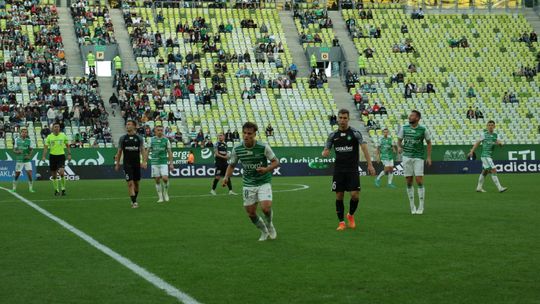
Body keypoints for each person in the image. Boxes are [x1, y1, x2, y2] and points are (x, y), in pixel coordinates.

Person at [222, 122, 280, 241]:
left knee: (266, 208)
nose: (246, 135)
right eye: (244, 133)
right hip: (248, 183)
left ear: (254, 134)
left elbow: (276, 162)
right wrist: (226, 177)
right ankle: (263, 231)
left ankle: (269, 225)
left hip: (263, 181)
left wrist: (266, 169)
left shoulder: (263, 147)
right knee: (251, 213)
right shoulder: (237, 148)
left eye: (249, 133)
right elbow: (232, 165)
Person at [322, 109, 376, 231]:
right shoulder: (332, 135)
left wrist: (370, 165)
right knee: (339, 195)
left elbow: (364, 148)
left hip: (352, 169)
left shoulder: (355, 133)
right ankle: (341, 222)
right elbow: (327, 148)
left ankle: (350, 215)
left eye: (345, 118)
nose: (342, 120)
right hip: (339, 170)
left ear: (348, 119)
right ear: (337, 119)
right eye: (340, 117)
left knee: (355, 195)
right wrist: (325, 152)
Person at [397, 110, 432, 215]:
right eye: (410, 115)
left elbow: (429, 142)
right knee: (408, 181)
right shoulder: (404, 128)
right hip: (406, 157)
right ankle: (412, 206)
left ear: (417, 118)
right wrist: (399, 147)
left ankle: (421, 205)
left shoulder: (423, 130)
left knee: (419, 180)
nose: (409, 117)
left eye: (412, 115)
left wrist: (429, 157)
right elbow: (399, 140)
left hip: (418, 157)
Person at [468, 121, 507, 193]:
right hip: (485, 156)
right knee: (493, 170)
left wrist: (500, 144)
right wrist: (472, 151)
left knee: (485, 171)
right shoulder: (484, 134)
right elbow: (477, 143)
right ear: (487, 126)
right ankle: (500, 188)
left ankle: (479, 187)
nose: (490, 126)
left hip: (489, 156)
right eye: (489, 125)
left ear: (494, 126)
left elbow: (498, 141)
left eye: (492, 125)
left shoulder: (495, 135)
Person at [115, 120, 147, 208]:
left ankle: (134, 198)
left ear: (134, 126)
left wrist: (144, 162)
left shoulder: (139, 138)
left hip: (136, 164)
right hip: (127, 164)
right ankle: (134, 202)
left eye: (129, 124)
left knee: (136, 184)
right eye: (126, 124)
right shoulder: (123, 138)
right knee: (130, 183)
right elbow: (119, 152)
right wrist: (117, 163)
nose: (127, 126)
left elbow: (143, 150)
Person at [145, 125, 174, 203]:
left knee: (165, 178)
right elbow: (147, 151)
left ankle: (166, 193)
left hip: (163, 162)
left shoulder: (166, 140)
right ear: (155, 131)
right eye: (158, 130)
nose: (160, 131)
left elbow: (169, 152)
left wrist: (171, 163)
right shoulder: (151, 140)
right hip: (154, 163)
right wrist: (145, 162)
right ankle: (160, 197)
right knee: (157, 180)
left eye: (161, 130)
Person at [41, 122, 71, 196]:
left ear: (59, 128)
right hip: (52, 156)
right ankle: (56, 190)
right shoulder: (49, 137)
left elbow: (67, 145)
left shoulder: (63, 136)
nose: (57, 128)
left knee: (61, 172)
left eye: (58, 127)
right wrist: (44, 156)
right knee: (54, 175)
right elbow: (45, 148)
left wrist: (69, 154)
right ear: (52, 128)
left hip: (61, 156)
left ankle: (63, 189)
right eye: (55, 127)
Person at [11, 128, 35, 193]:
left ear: (27, 133)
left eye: (25, 132)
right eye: (23, 132)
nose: (24, 133)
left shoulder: (29, 141)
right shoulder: (17, 140)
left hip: (27, 160)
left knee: (29, 174)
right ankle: (14, 188)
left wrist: (29, 156)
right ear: (21, 133)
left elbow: (31, 149)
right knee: (17, 174)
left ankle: (30, 188)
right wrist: (17, 152)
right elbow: (14, 150)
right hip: (19, 160)